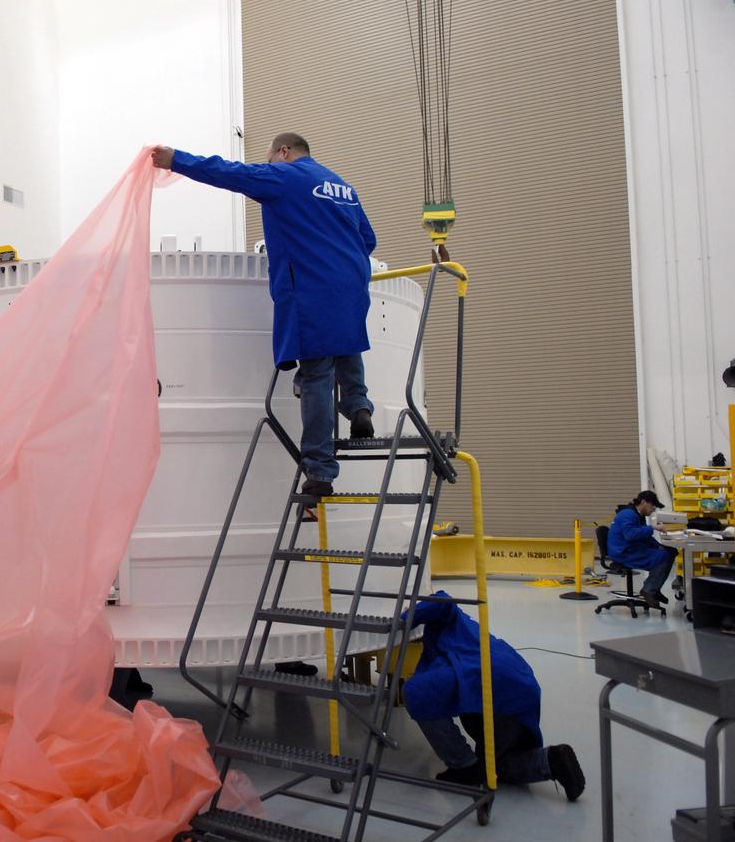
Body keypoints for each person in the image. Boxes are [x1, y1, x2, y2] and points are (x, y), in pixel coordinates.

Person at [149, 134, 376, 505]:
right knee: (346, 346)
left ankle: (319, 469)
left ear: (284, 152)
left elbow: (227, 172)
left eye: (270, 157)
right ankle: (359, 406)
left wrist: (175, 159)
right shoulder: (343, 187)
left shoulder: (284, 177)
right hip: (352, 283)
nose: (267, 163)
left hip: (312, 286)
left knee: (317, 373)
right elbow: (368, 240)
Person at [405, 592, 585, 801]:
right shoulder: (466, 630)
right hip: (519, 691)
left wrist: (401, 620)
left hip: (499, 695)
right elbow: (442, 602)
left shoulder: (447, 635)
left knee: (416, 693)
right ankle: (551, 760)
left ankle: (465, 766)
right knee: (497, 761)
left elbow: (441, 601)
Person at [607, 490, 679, 608]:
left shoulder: (637, 515)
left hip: (631, 548)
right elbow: (630, 535)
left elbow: (645, 537)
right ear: (644, 502)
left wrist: (658, 545)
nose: (653, 509)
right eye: (653, 506)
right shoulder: (628, 514)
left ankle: (655, 589)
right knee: (663, 556)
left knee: (670, 551)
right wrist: (653, 527)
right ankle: (648, 590)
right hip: (623, 552)